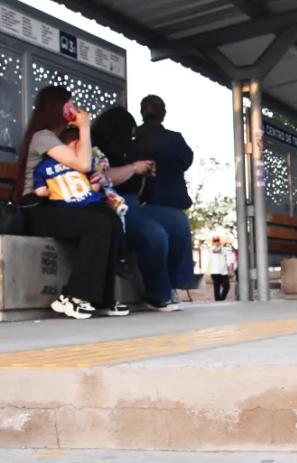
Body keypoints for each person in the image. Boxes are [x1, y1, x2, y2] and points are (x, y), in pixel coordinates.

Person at [14, 85, 128, 319]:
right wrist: (85, 127)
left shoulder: (61, 138)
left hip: (61, 203)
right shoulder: (43, 137)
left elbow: (83, 170)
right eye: (70, 104)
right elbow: (83, 163)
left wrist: (96, 179)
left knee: (108, 218)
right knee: (97, 224)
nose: (75, 109)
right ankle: (73, 297)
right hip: (38, 209)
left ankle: (103, 298)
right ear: (58, 107)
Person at [92, 106, 185, 312]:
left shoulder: (129, 150)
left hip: (135, 203)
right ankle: (157, 293)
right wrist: (134, 168)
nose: (132, 137)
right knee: (155, 234)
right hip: (112, 204)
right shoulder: (95, 146)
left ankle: (174, 282)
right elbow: (102, 177)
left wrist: (144, 173)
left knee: (177, 221)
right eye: (130, 132)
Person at [130, 95, 196, 307]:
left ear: (142, 113)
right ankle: (169, 288)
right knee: (173, 231)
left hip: (142, 202)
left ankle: (164, 291)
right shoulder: (174, 139)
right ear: (163, 114)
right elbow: (187, 160)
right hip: (169, 202)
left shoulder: (134, 141)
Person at [207, 236, 234, 301]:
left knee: (227, 286)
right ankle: (218, 301)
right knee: (217, 288)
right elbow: (216, 251)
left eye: (217, 241)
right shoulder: (210, 248)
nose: (216, 242)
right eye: (215, 241)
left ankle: (221, 299)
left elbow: (229, 261)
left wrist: (230, 271)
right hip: (215, 272)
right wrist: (221, 246)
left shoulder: (225, 249)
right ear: (213, 242)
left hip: (224, 272)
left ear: (219, 241)